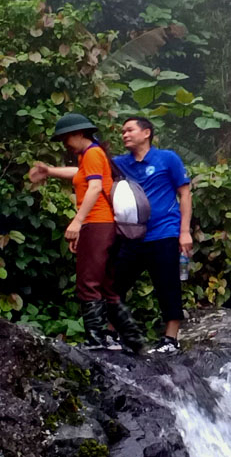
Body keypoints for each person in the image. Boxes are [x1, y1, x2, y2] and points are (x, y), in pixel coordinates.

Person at [28, 113, 145, 352]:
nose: (64, 144)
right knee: (106, 284)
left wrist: (77, 222)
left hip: (96, 223)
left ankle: (96, 339)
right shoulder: (91, 154)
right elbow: (80, 175)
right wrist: (49, 171)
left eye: (65, 138)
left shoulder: (92, 153)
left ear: (78, 133)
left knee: (88, 282)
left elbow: (93, 187)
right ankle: (130, 338)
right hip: (104, 225)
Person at [112, 116, 193, 354]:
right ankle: (110, 335)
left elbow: (185, 194)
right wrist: (51, 170)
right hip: (132, 236)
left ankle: (170, 340)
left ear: (146, 133)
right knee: (115, 285)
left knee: (168, 286)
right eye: (122, 131)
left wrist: (185, 232)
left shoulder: (167, 159)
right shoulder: (120, 163)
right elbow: (89, 171)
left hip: (164, 233)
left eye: (130, 130)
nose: (124, 134)